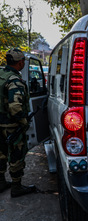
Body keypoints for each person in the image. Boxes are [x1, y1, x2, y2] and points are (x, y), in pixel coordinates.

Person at [0, 48, 36, 197]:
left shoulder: (1, 75)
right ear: (20, 62)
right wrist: (23, 121)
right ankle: (16, 187)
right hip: (10, 125)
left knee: (1, 153)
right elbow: (15, 107)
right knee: (16, 155)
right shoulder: (15, 80)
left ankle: (1, 183)